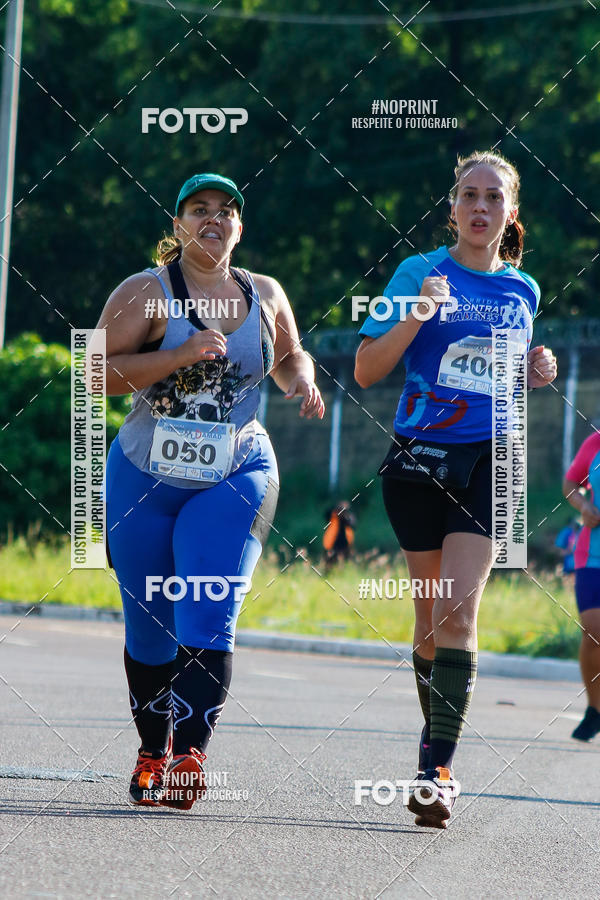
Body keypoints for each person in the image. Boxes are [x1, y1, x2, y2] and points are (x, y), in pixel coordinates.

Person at [97, 173, 324, 809]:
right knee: (149, 627)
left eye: (227, 211)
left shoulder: (264, 292)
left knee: (207, 599)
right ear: (177, 225)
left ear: (240, 228)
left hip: (235, 470)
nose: (214, 220)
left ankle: (192, 754)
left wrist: (300, 380)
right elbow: (93, 373)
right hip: (145, 474)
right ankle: (153, 750)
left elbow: (289, 354)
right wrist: (180, 354)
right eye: (199, 210)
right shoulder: (145, 293)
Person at [354, 150, 557, 828]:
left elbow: (502, 371)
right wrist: (415, 314)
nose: (479, 207)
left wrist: (533, 366)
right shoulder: (419, 271)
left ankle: (436, 769)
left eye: (492, 197)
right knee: (428, 622)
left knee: (459, 616)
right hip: (421, 460)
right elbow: (365, 368)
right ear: (451, 208)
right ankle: (431, 747)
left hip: (493, 462)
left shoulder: (524, 289)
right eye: (468, 195)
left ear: (510, 212)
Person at [563, 434, 600, 742]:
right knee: (593, 630)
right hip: (592, 554)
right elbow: (571, 484)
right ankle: (594, 708)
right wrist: (584, 505)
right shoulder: (596, 442)